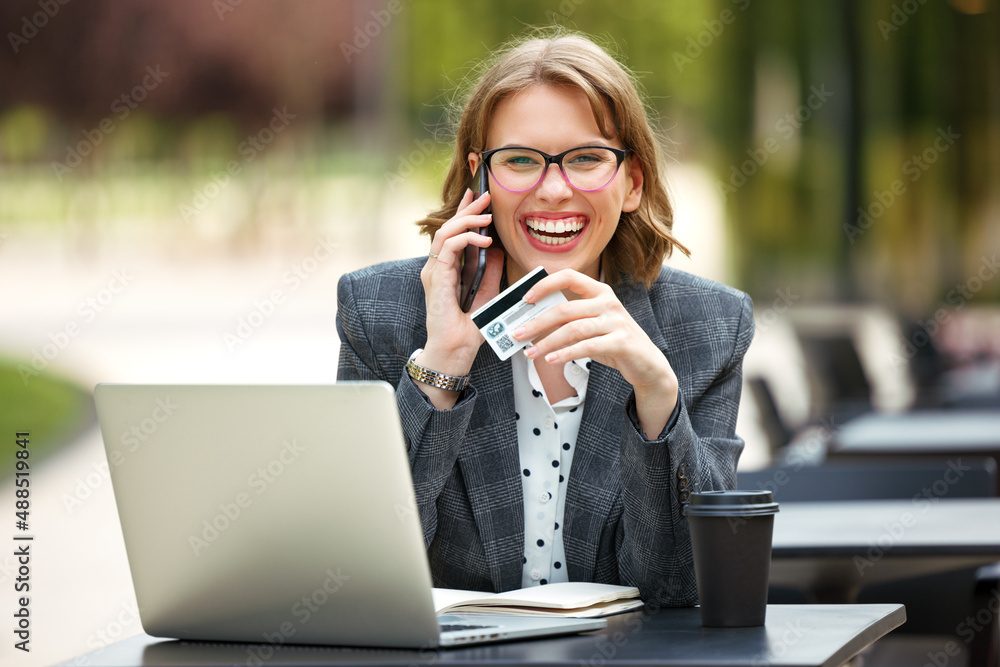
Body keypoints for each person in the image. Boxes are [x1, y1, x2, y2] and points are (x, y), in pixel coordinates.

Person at [336, 30, 754, 607]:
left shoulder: (707, 325)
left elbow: (686, 585)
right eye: (521, 161)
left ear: (632, 183)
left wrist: (656, 396)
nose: (554, 190)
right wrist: (441, 368)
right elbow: (353, 570)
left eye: (586, 159)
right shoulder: (380, 311)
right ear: (480, 178)